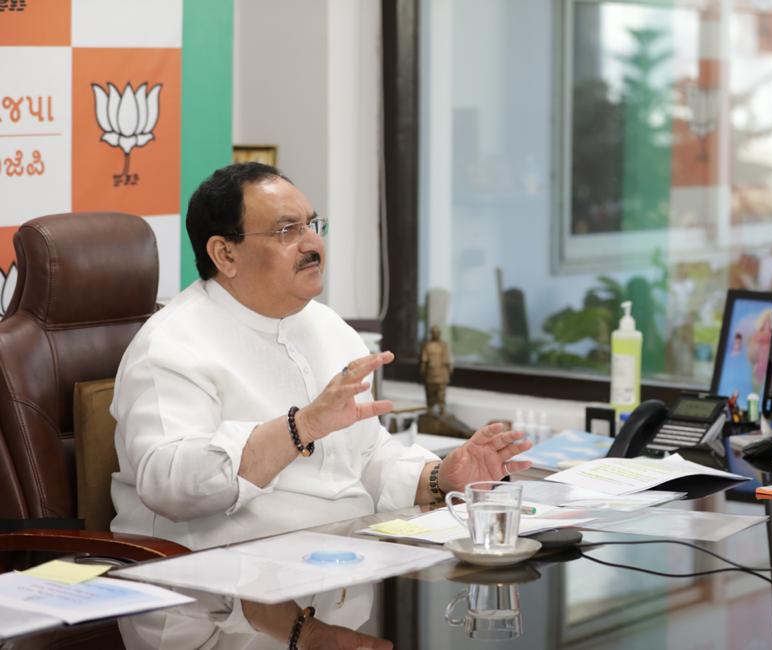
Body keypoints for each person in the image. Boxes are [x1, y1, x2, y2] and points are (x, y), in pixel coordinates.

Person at [109, 162, 532, 550]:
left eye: (312, 225)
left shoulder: (327, 326)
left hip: (344, 563)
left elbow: (362, 459)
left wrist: (441, 477)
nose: (312, 243)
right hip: (225, 590)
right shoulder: (171, 345)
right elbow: (170, 487)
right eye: (286, 231)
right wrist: (301, 427)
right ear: (225, 253)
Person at [419, 325, 452, 414]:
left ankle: (442, 409)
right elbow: (424, 360)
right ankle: (430, 409)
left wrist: (449, 370)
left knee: (441, 394)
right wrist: (423, 369)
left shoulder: (444, 345)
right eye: (434, 332)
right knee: (430, 393)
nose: (435, 334)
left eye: (437, 332)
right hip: (430, 374)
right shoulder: (427, 345)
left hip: (442, 374)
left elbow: (448, 360)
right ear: (431, 333)